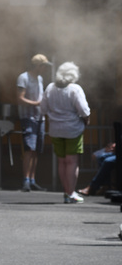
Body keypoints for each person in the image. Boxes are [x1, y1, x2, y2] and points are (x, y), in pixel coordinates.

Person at [41, 62, 90, 204]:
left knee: (62, 161)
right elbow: (84, 110)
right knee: (72, 161)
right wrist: (86, 120)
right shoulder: (75, 89)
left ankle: (65, 192)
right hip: (73, 129)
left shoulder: (50, 88)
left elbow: (43, 109)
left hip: (55, 129)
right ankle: (70, 193)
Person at [16, 53, 50, 191]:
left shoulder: (40, 78)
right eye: (44, 66)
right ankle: (26, 180)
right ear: (38, 66)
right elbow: (19, 98)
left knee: (36, 150)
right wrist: (36, 103)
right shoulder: (23, 77)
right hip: (28, 117)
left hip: (40, 117)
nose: (45, 69)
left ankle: (32, 179)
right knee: (30, 149)